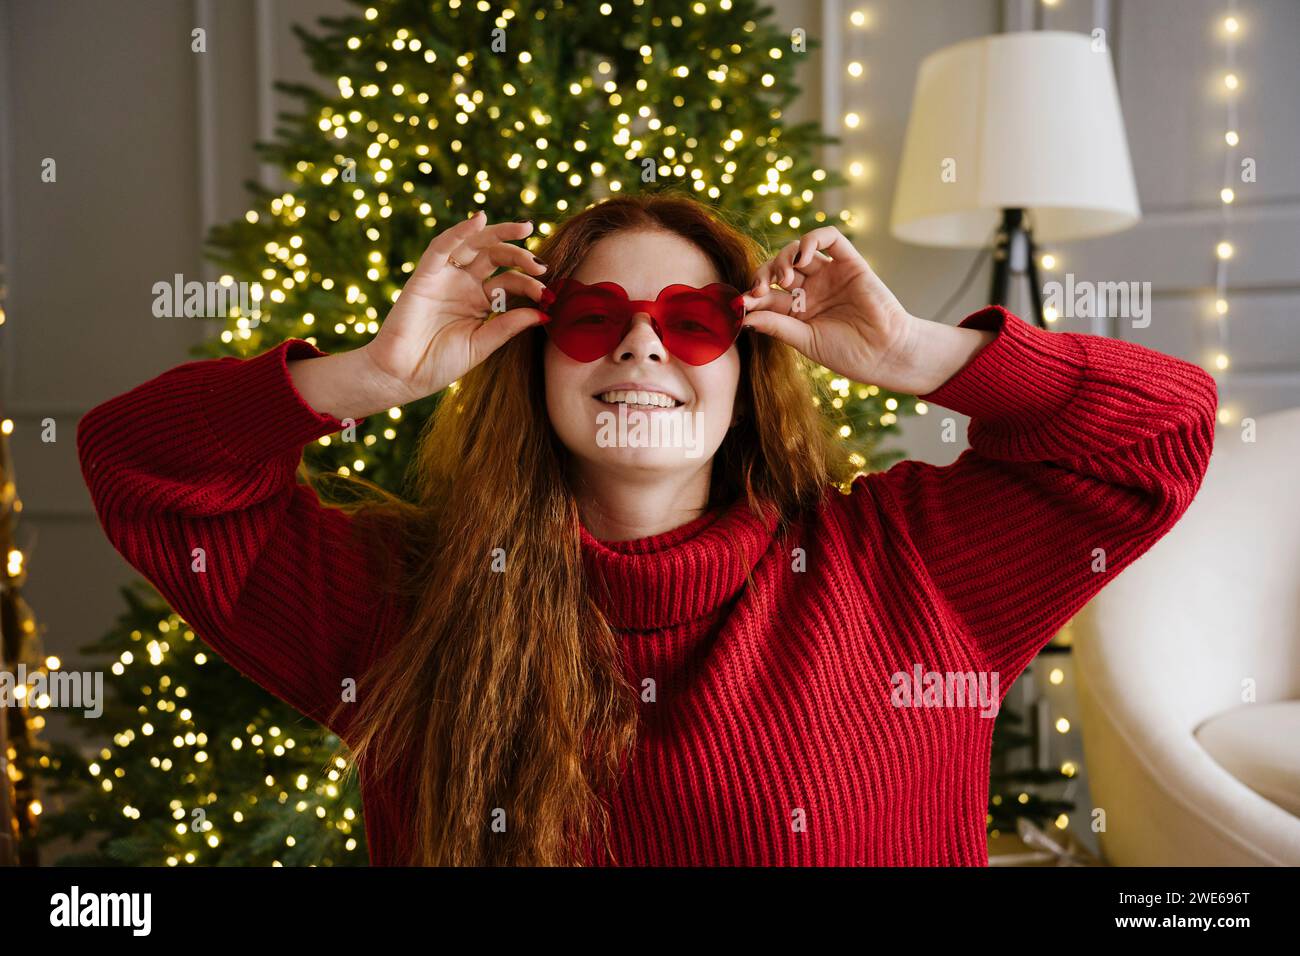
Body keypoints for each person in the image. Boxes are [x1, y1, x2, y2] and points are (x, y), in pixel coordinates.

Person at [77, 193, 1217, 866]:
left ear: (750, 362)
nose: (641, 348)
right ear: (528, 357)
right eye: (589, 319)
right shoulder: (404, 602)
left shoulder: (906, 566)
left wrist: (916, 355)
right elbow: (140, 467)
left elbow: (1163, 432)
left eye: (690, 320)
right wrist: (373, 373)